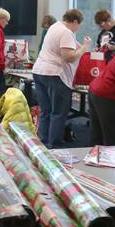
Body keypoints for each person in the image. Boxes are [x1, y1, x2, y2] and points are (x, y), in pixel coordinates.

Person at [31, 9, 92, 148]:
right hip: (55, 74)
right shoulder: (66, 32)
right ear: (75, 21)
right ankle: (54, 147)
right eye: (79, 25)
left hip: (40, 71)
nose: (78, 28)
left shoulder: (54, 27)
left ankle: (43, 143)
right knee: (58, 112)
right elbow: (68, 57)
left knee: (46, 111)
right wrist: (84, 47)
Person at [88, 46, 115, 146]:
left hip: (96, 89)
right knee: (113, 139)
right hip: (108, 95)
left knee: (97, 136)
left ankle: (93, 159)